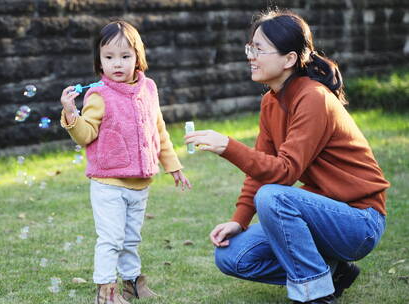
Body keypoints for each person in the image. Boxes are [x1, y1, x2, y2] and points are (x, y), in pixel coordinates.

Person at [185, 10, 389, 304]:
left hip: (359, 221)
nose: (250, 56)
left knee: (273, 197)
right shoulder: (270, 102)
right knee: (232, 256)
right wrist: (239, 221)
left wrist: (228, 146)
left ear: (289, 59)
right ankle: (333, 274)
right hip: (322, 214)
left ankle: (315, 296)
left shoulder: (313, 98)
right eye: (250, 47)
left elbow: (285, 172)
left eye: (259, 49)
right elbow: (260, 170)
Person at [60, 20, 191, 304]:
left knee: (131, 240)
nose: (117, 64)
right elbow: (86, 135)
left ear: (138, 57)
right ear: (99, 61)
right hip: (108, 183)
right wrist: (72, 114)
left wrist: (174, 166)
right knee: (111, 240)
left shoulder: (149, 89)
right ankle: (105, 293)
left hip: (140, 182)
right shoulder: (99, 95)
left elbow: (159, 131)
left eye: (125, 56)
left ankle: (132, 283)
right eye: (108, 57)